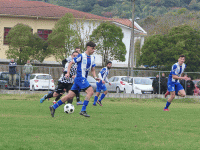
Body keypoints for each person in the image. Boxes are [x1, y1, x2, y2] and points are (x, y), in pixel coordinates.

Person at [49, 41, 100, 117]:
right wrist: (68, 73)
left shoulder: (93, 57)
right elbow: (70, 63)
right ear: (88, 47)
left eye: (94, 49)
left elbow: (92, 69)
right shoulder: (81, 56)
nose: (93, 50)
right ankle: (83, 110)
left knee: (69, 96)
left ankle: (53, 107)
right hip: (80, 78)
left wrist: (95, 77)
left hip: (80, 80)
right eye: (92, 49)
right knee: (90, 91)